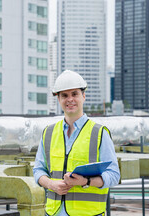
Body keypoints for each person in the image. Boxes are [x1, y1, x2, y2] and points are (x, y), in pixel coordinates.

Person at [33, 70, 120, 216]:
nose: (70, 99)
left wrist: (85, 181)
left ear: (83, 96)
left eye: (74, 94)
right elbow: (38, 170)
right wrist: (51, 184)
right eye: (64, 95)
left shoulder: (99, 133)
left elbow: (114, 175)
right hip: (53, 213)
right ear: (58, 99)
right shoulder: (48, 133)